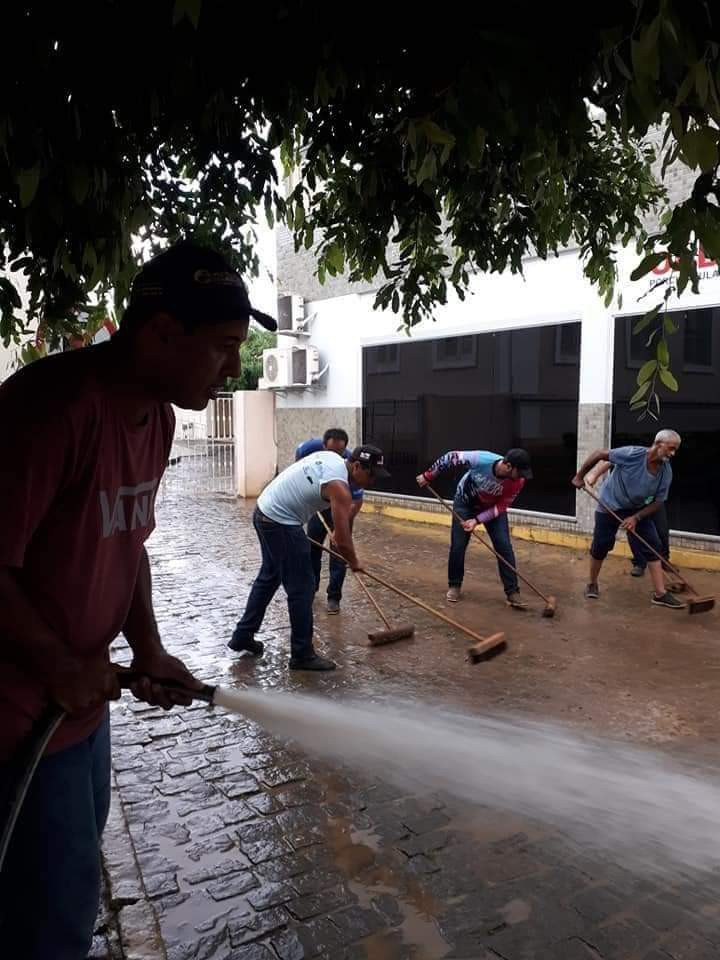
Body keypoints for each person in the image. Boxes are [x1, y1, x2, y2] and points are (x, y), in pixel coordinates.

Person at [0, 241, 277, 959]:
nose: (231, 367)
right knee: (49, 913)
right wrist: (58, 662)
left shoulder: (156, 418)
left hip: (79, 712)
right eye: (220, 348)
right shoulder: (55, 410)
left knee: (73, 885)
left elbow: (129, 542)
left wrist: (148, 648)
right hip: (19, 715)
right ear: (159, 335)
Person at [229, 445, 389, 669]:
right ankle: (302, 654)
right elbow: (342, 540)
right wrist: (354, 562)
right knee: (303, 588)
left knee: (270, 577)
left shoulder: (333, 460)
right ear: (356, 466)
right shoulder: (340, 488)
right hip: (280, 521)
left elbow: (335, 525)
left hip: (264, 511)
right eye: (370, 474)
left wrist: (339, 538)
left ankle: (242, 636)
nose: (372, 482)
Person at [571, 429, 685, 608]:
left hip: (637, 509)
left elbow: (658, 502)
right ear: (658, 444)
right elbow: (600, 454)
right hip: (610, 506)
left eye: (675, 450)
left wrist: (636, 517)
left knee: (653, 545)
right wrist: (580, 476)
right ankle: (592, 583)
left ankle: (660, 593)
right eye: (670, 448)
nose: (672, 453)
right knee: (601, 546)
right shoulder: (633, 454)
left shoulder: (665, 472)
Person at [416, 448, 533, 607]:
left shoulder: (518, 482)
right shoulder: (481, 459)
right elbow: (451, 457)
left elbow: (500, 507)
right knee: (458, 545)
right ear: (508, 466)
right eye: (519, 472)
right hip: (465, 502)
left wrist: (476, 521)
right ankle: (454, 585)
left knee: (504, 546)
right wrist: (429, 475)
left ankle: (512, 592)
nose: (521, 477)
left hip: (492, 509)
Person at [295, 428, 364, 614]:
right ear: (323, 445)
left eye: (339, 452)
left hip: (343, 509)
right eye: (330, 451)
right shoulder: (307, 449)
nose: (335, 455)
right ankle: (312, 586)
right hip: (320, 507)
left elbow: (356, 502)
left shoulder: (352, 467)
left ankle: (334, 597)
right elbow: (300, 470)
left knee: (339, 553)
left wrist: (340, 528)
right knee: (313, 548)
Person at [585, 459, 674, 581]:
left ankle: (664, 561)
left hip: (651, 502)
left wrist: (638, 517)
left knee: (661, 533)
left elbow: (660, 499)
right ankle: (639, 563)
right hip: (629, 505)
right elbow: (609, 460)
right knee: (632, 533)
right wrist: (594, 475)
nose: (671, 453)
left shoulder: (665, 468)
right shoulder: (637, 456)